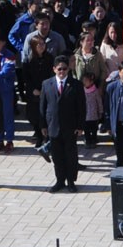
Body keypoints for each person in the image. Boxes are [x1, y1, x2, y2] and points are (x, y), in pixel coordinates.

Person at [39, 57, 84, 192]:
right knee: (57, 157)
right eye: (59, 69)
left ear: (68, 69)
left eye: (64, 69)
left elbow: (81, 107)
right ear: (54, 70)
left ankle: (71, 181)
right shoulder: (47, 84)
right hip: (53, 126)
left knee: (70, 156)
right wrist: (43, 126)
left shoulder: (75, 84)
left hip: (70, 127)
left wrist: (80, 126)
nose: (62, 72)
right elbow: (43, 106)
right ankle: (60, 180)